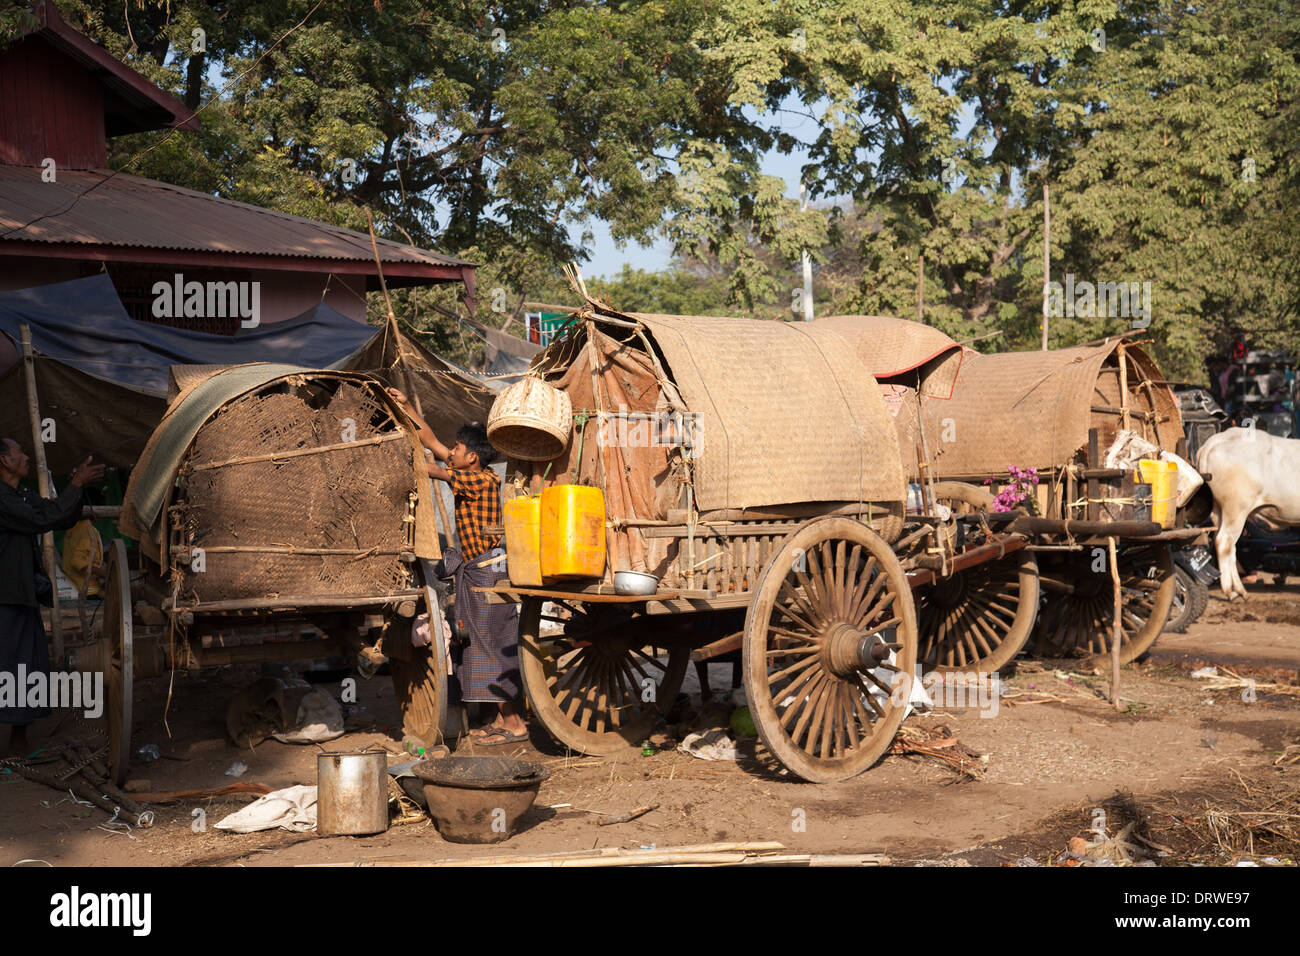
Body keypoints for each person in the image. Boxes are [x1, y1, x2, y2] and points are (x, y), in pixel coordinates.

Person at [385, 389, 525, 746]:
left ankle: (514, 723)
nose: (454, 451)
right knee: (481, 644)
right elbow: (431, 441)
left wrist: (396, 455)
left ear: (472, 458)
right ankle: (501, 718)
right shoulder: (470, 469)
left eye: (459, 450)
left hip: (488, 573)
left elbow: (429, 466)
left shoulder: (480, 480)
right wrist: (406, 406)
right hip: (477, 570)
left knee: (492, 645)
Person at [0, 440, 104, 757]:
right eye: (20, 453)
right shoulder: (2, 499)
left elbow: (53, 513)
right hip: (5, 595)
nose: (27, 457)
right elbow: (42, 520)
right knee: (10, 665)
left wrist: (76, 486)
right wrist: (75, 483)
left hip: (22, 592)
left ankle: (19, 737)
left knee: (28, 665)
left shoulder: (20, 495)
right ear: (4, 460)